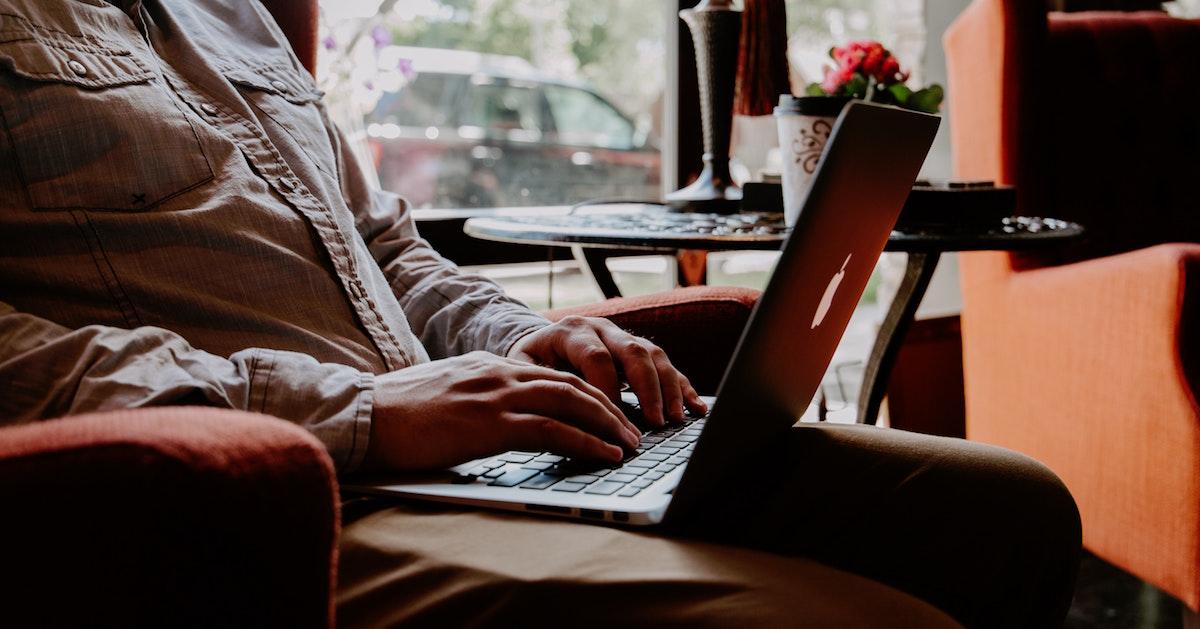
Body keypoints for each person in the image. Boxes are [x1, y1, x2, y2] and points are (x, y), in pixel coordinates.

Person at [0, 1, 1081, 626]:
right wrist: (365, 409)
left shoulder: (229, 14)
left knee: (1009, 511)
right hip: (284, 499)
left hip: (475, 460)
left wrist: (520, 333)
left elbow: (384, 247)